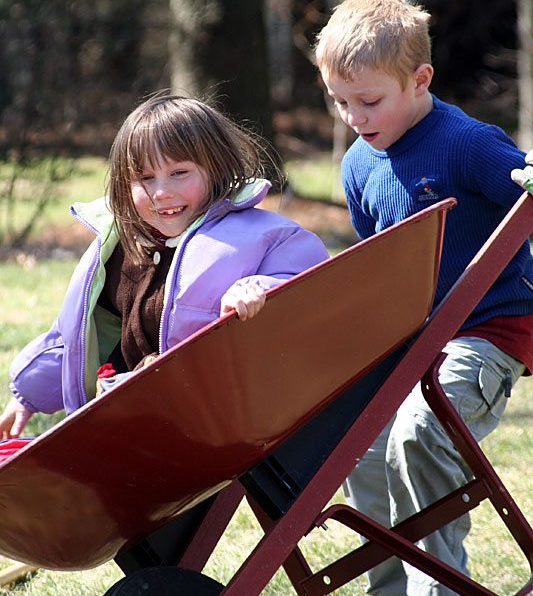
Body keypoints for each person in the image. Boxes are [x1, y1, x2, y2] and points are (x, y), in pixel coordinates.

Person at [314, 0, 533, 596]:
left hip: (486, 331)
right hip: (409, 342)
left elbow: (520, 181)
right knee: (358, 446)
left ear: (419, 79)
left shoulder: (465, 142)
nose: (354, 116)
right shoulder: (357, 164)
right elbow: (377, 264)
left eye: (368, 100)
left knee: (420, 430)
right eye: (339, 102)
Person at [0, 93, 328, 439]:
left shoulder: (256, 237)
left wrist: (258, 289)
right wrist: (27, 396)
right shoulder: (121, 249)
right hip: (130, 424)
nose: (162, 193)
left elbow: (306, 284)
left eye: (179, 173)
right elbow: (80, 337)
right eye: (145, 178)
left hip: (218, 425)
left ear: (216, 167)